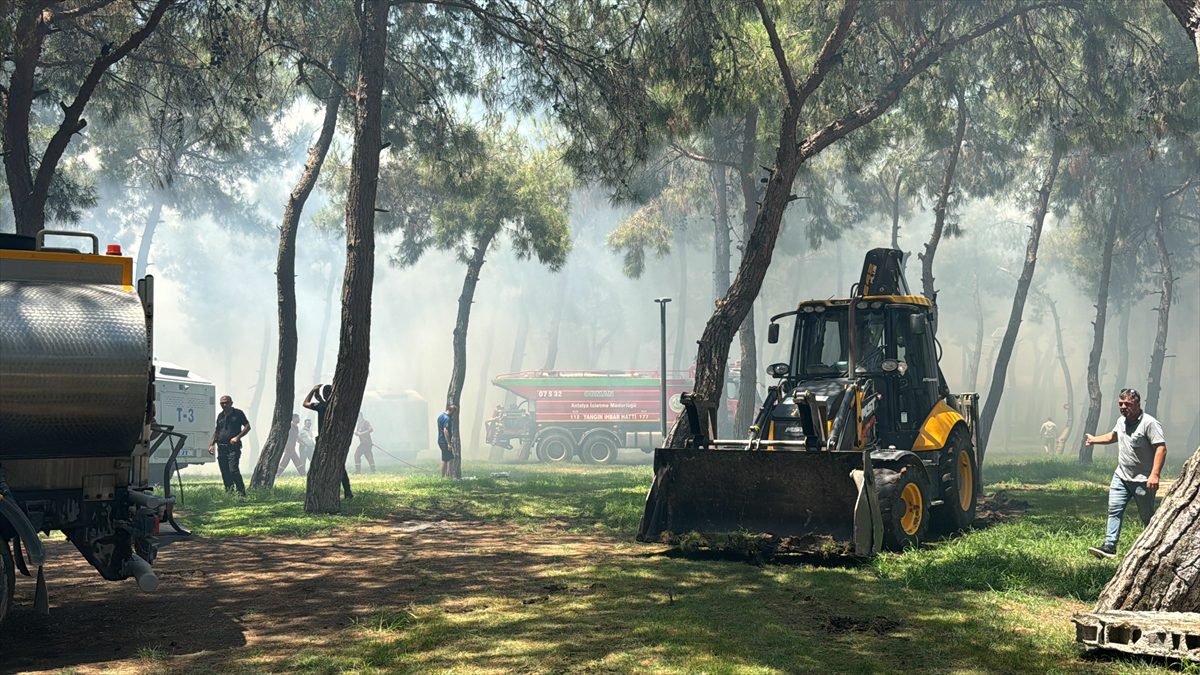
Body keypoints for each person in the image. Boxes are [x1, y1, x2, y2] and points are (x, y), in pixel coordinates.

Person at [1084, 388, 1167, 559]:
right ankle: (1109, 546)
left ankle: (1156, 547)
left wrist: (1155, 475)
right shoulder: (1121, 421)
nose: (1123, 407)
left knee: (1147, 517)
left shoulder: (1149, 423)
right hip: (1121, 476)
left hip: (1142, 480)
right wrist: (1094, 440)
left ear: (1137, 404)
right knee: (1114, 510)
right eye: (1121, 404)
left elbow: (1161, 448)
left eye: (1127, 404)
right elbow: (1113, 437)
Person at [302, 384, 353, 499]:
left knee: (319, 465)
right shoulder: (337, 406)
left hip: (323, 441)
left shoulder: (321, 406)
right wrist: (319, 397)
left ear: (324, 395)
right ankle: (348, 491)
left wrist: (312, 391)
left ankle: (320, 492)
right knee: (339, 465)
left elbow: (305, 403)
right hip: (335, 440)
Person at [208, 395, 250, 496]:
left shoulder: (238, 413)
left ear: (231, 403)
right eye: (222, 403)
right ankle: (229, 493)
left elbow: (247, 426)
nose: (225, 404)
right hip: (221, 447)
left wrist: (237, 437)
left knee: (233, 470)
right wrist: (211, 444)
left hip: (233, 448)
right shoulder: (220, 416)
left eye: (227, 402)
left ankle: (241, 493)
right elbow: (217, 431)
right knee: (225, 472)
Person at [437, 403, 458, 479]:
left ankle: (448, 476)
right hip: (444, 441)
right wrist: (449, 443)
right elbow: (446, 431)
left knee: (449, 459)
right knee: (446, 460)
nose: (453, 415)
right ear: (451, 410)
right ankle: (445, 477)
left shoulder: (440, 416)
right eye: (454, 413)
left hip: (440, 440)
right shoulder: (447, 418)